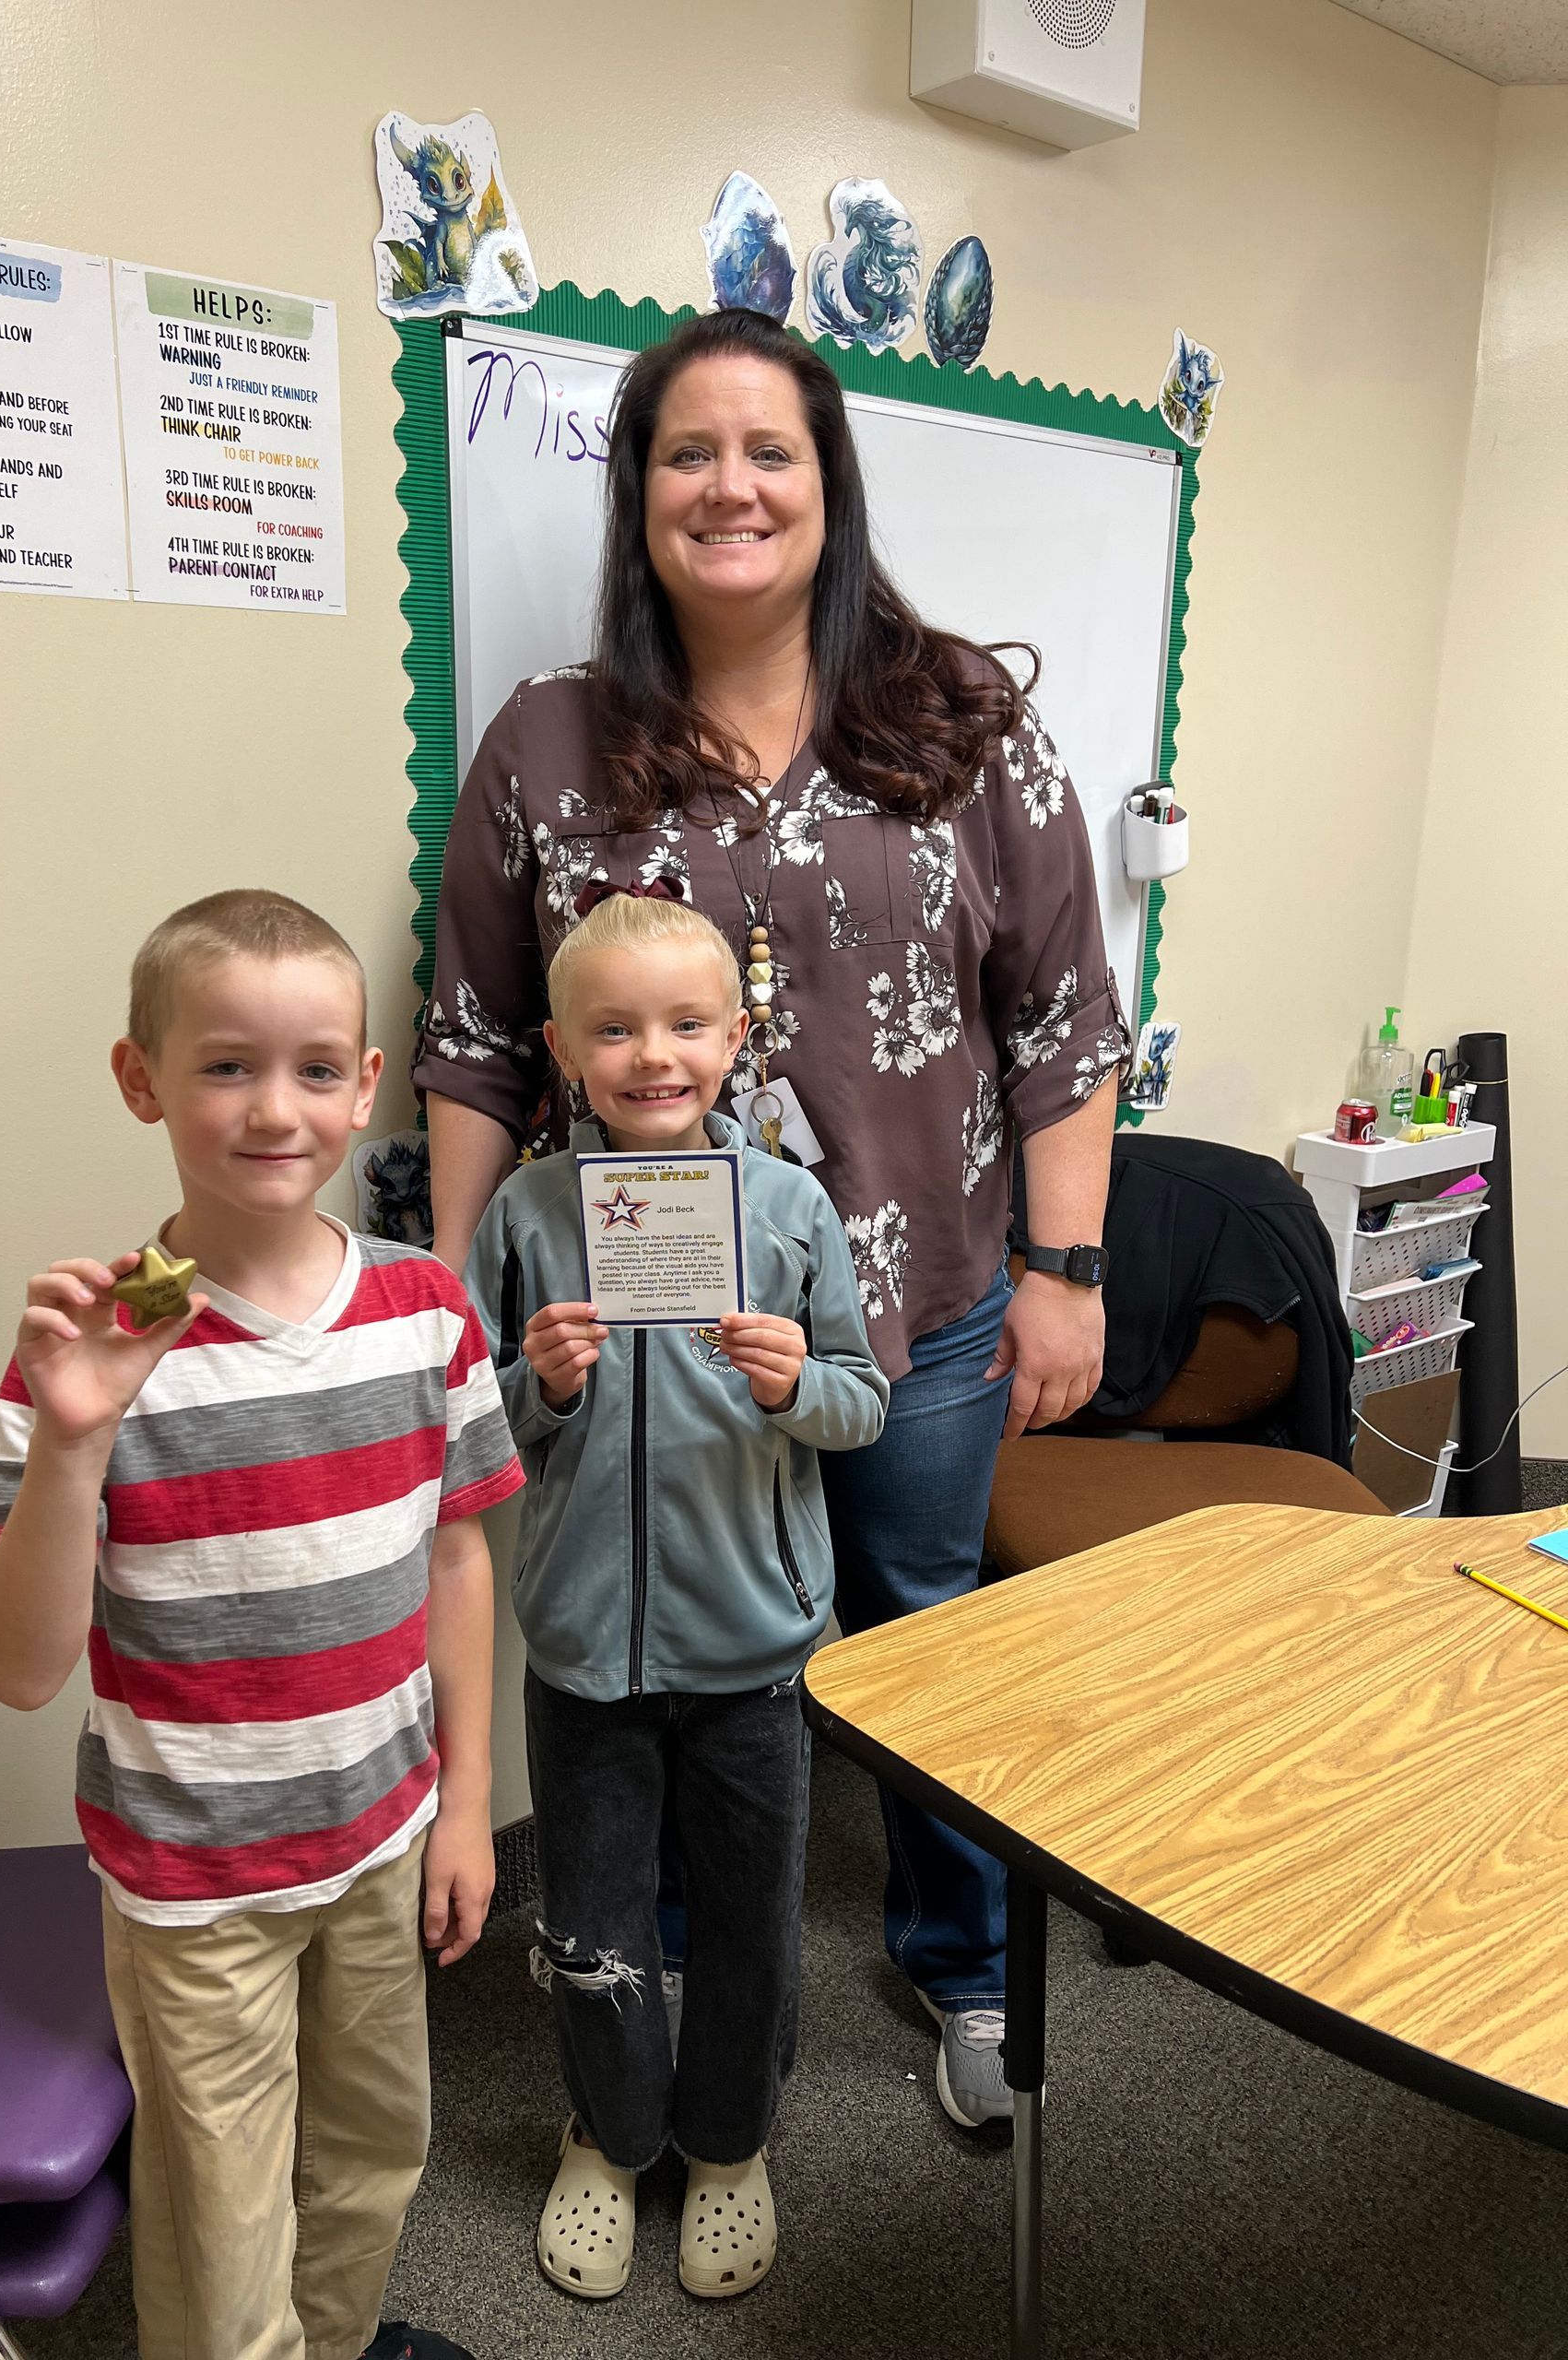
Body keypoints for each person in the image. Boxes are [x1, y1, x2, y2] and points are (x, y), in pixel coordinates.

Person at [415, 307, 1127, 2129]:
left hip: (923, 1297)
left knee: (920, 1628)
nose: (730, 486)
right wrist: (451, 1323)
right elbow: (482, 1044)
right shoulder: (548, 745)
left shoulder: (960, 719)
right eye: (685, 452)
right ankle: (661, 1999)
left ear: (829, 485)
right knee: (653, 1665)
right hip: (630, 1338)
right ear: (638, 495)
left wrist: (1067, 1273)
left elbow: (1061, 1024)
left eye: (771, 451)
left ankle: (961, 1963)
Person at [0, 891, 522, 2360]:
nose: (277, 1110)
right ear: (140, 1080)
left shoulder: (425, 1312)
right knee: (222, 2223)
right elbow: (17, 1673)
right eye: (225, 1067)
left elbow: (457, 1566)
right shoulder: (91, 1352)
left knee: (371, 2155)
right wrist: (76, 1440)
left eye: (316, 1069)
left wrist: (466, 1806)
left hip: (383, 1838)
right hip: (192, 1877)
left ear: (369, 1085)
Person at [466, 887, 887, 2300]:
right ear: (562, 1046)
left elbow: (862, 1408)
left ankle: (725, 2145)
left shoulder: (788, 1206)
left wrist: (795, 1385)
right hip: (583, 1650)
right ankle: (609, 2131)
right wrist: (541, 1384)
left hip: (755, 1650)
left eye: (688, 1023)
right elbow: (473, 1436)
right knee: (587, 1915)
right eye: (616, 1028)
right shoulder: (527, 1216)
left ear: (738, 1037)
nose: (655, 1054)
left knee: (754, 1915)